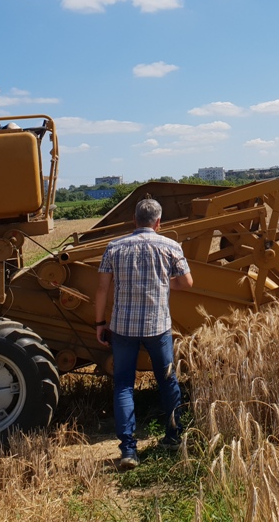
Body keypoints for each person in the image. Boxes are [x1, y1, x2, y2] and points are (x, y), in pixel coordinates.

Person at [95, 197, 194, 470]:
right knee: (167, 380)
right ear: (159, 222)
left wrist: (99, 323)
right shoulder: (171, 246)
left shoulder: (114, 247)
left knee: (124, 385)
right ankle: (173, 437)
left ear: (134, 221)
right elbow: (187, 282)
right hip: (157, 327)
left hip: (122, 328)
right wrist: (163, 282)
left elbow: (102, 289)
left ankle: (128, 450)